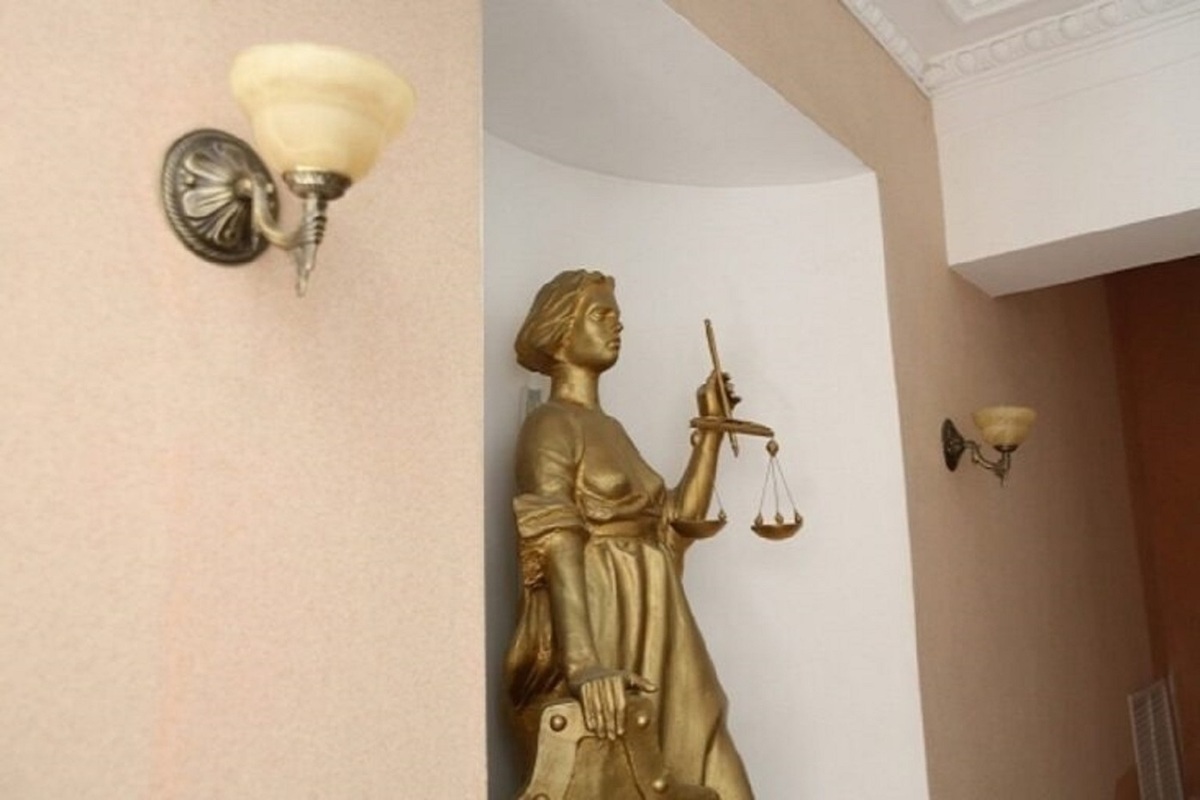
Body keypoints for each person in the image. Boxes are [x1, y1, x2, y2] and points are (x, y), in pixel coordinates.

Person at [505, 269, 753, 798]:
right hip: (603, 611)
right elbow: (554, 538)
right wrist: (583, 664)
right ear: (560, 332)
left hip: (661, 614)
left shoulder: (611, 428)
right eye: (601, 315)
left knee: (713, 763)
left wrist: (710, 429)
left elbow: (676, 522)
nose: (617, 325)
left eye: (617, 315)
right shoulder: (548, 425)